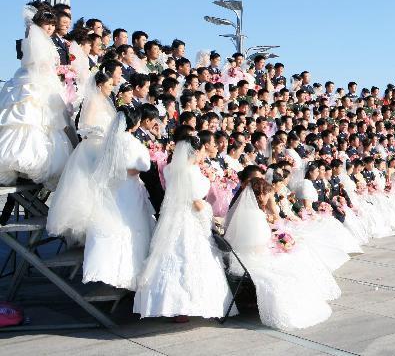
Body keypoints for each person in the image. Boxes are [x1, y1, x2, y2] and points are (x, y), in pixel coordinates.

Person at [133, 137, 236, 320]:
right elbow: (197, 203)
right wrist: (210, 214)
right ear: (195, 152)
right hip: (191, 219)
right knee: (190, 257)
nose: (204, 154)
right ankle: (188, 305)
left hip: (173, 218)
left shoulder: (170, 169)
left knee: (171, 256)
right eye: (203, 150)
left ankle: (171, 306)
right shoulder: (192, 172)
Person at [224, 178, 338, 332]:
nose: (269, 197)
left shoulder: (243, 211)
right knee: (293, 267)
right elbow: (258, 248)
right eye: (267, 194)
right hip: (252, 260)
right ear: (261, 194)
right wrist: (277, 244)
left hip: (242, 257)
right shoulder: (255, 215)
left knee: (293, 260)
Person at [82, 107, 156, 290]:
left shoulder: (110, 140)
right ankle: (131, 273)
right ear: (135, 123)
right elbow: (144, 165)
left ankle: (110, 271)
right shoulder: (132, 142)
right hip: (129, 187)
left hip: (113, 188)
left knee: (114, 225)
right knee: (133, 226)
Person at [0, 7, 73, 187]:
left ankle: (32, 165)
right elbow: (37, 63)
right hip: (34, 82)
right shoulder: (34, 38)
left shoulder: (45, 40)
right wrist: (57, 70)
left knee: (45, 123)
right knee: (28, 119)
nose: (50, 28)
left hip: (44, 81)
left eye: (52, 25)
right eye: (47, 24)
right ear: (39, 24)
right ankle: (22, 163)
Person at [46, 71, 116, 243]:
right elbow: (86, 125)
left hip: (104, 146)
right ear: (100, 86)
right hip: (93, 146)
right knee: (89, 187)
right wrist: (100, 133)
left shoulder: (107, 102)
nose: (111, 88)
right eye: (109, 85)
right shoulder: (92, 103)